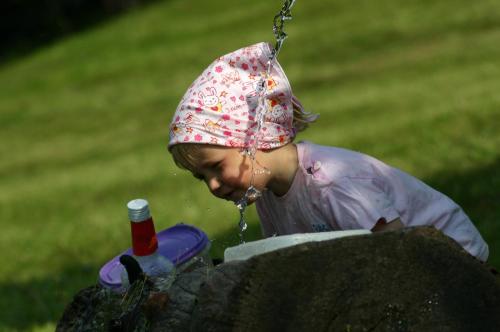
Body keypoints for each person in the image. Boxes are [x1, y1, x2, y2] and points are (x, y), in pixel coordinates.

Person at [168, 42, 489, 262]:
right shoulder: (267, 193)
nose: (212, 185)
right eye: (202, 177)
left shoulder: (332, 185)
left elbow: (398, 251)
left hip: (454, 261)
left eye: (215, 167)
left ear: (256, 137)